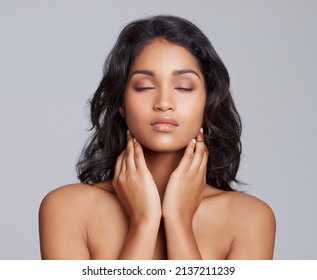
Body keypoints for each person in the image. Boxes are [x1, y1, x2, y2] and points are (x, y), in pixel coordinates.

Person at [39, 15, 276, 260]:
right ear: (122, 102)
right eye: (144, 86)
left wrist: (178, 220)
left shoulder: (249, 219)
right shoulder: (66, 209)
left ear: (208, 101)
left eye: (184, 87)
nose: (164, 103)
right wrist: (144, 222)